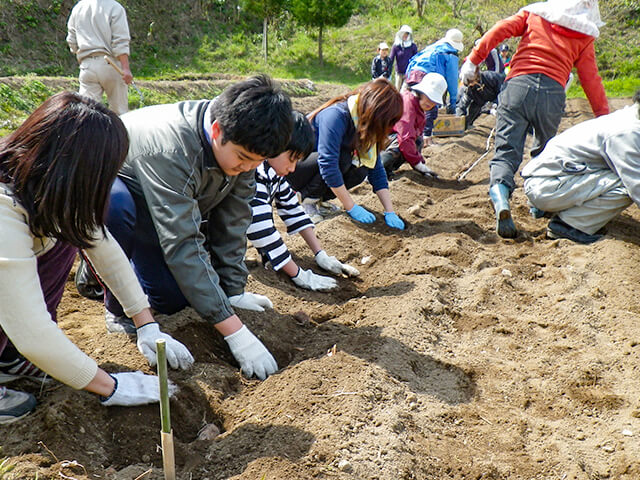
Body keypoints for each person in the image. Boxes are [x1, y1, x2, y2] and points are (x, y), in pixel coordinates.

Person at [0, 92, 193, 423]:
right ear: (76, 171)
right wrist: (112, 386)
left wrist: (146, 323)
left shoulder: (46, 188)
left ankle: (7, 357)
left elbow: (102, 247)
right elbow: (32, 331)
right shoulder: (4, 209)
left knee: (65, 237)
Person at [98, 74, 292, 381]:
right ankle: (114, 303)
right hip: (119, 193)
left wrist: (233, 291)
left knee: (173, 302)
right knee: (115, 207)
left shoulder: (242, 143)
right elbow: (183, 243)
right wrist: (234, 331)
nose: (247, 168)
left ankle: (128, 266)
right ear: (217, 131)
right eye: (243, 159)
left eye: (257, 162)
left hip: (162, 207)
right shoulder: (171, 148)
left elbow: (234, 218)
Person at [459, 0, 609, 238]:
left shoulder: (535, 14)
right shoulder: (583, 34)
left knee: (507, 149)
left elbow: (500, 29)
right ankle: (538, 204)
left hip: (518, 86)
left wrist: (474, 59)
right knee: (545, 152)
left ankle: (500, 197)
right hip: (552, 94)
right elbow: (590, 78)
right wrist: (603, 117)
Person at [247, 112, 360, 292]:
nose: (292, 169)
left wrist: (320, 253)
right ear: (274, 144)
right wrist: (299, 274)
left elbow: (293, 210)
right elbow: (262, 232)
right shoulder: (252, 176)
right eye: (291, 159)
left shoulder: (274, 173)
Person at [522, 91, 640, 244]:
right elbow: (636, 185)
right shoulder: (627, 132)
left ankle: (559, 210)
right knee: (625, 185)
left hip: (552, 180)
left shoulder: (629, 117)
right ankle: (569, 226)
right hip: (548, 186)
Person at [286, 79, 405, 230]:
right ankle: (307, 201)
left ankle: (319, 199)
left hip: (316, 167)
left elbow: (376, 168)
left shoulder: (365, 124)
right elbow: (327, 163)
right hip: (292, 166)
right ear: (374, 112)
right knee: (343, 159)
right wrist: (351, 207)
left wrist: (389, 211)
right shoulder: (336, 116)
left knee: (361, 169)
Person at [66, 0, 133, 115]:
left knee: (87, 114)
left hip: (87, 66)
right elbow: (120, 41)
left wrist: (81, 56)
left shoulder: (78, 8)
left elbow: (71, 40)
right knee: (120, 114)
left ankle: (86, 133)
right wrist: (126, 68)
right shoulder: (115, 7)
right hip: (111, 65)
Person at [381, 73, 448, 178]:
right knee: (402, 144)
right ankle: (377, 169)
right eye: (429, 97)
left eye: (434, 101)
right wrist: (418, 165)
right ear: (421, 92)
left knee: (417, 141)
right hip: (377, 140)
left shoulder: (418, 106)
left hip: (387, 138)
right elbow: (405, 138)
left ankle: (387, 169)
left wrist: (420, 162)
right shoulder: (408, 103)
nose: (430, 103)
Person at [405, 28, 464, 144]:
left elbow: (413, 61)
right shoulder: (450, 53)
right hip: (426, 75)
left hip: (412, 73)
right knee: (430, 105)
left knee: (413, 104)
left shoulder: (433, 48)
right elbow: (452, 79)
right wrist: (453, 101)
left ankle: (412, 135)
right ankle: (426, 137)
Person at [389, 25, 418, 91]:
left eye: (407, 34)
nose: (405, 36)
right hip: (399, 73)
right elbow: (391, 58)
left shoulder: (412, 46)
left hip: (408, 73)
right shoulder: (396, 46)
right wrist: (387, 69)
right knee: (397, 90)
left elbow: (416, 59)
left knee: (403, 91)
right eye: (404, 34)